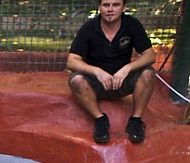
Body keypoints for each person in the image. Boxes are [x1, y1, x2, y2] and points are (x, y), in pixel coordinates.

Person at [66, 0, 155, 145]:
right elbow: (72, 61)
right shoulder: (89, 28)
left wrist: (127, 68)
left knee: (148, 73)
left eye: (116, 5)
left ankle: (136, 121)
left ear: (124, 7)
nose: (110, 9)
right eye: (106, 5)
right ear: (99, 7)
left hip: (122, 80)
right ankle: (100, 120)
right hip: (97, 84)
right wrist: (97, 72)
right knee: (76, 80)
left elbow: (150, 55)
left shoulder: (132, 25)